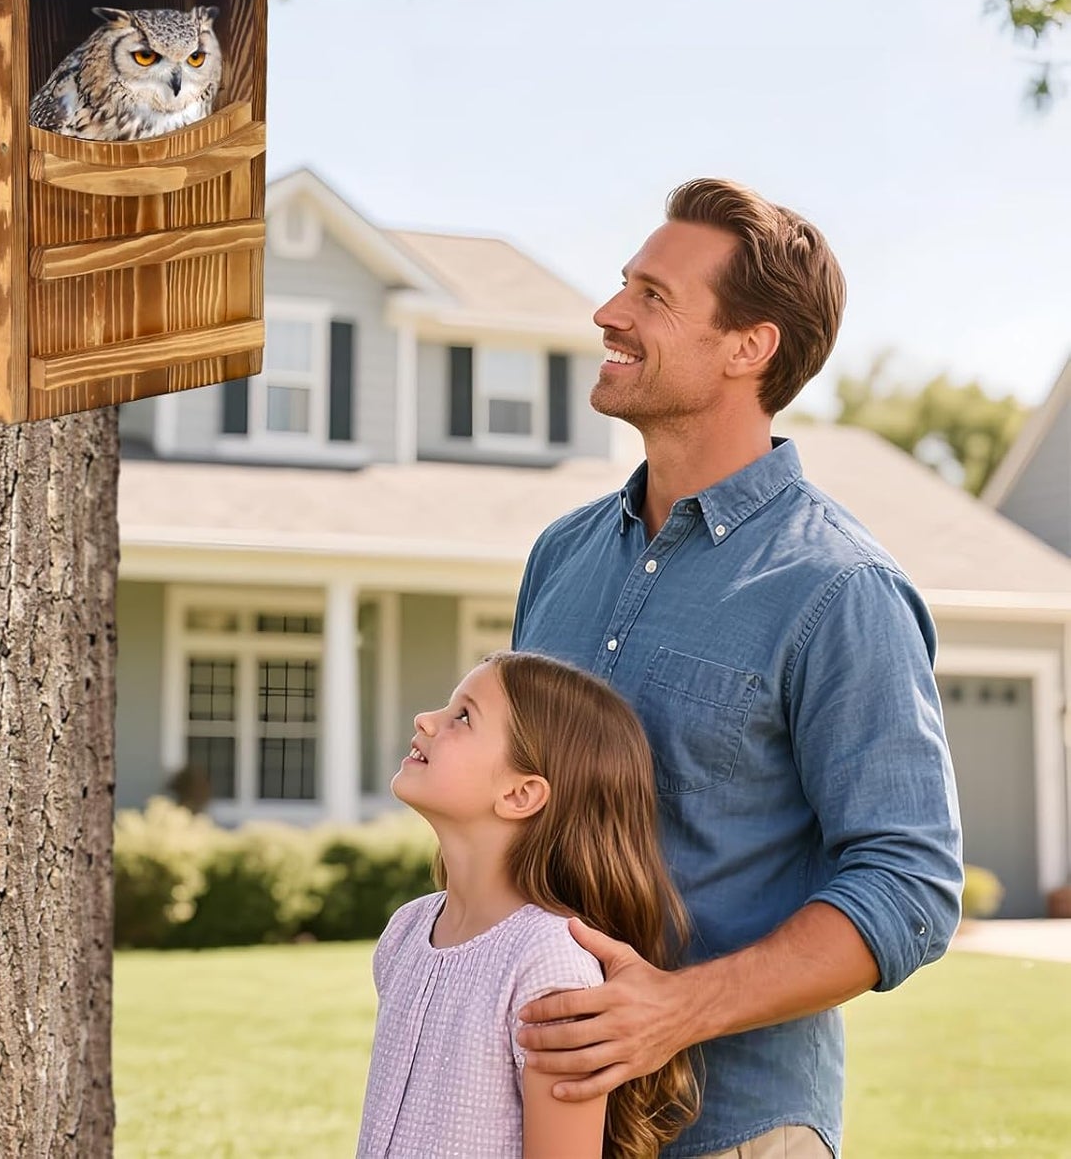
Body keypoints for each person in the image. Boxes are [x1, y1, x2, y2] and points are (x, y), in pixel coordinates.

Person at [512, 177, 963, 1158]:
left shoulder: (837, 587)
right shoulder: (560, 555)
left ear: (746, 347)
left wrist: (673, 1007)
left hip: (729, 1130)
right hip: (544, 1117)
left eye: (652, 296)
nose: (607, 312)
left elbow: (908, 881)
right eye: (621, 283)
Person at [356, 649, 699, 1159]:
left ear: (521, 794)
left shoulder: (549, 964)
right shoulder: (406, 932)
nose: (425, 720)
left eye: (463, 717)